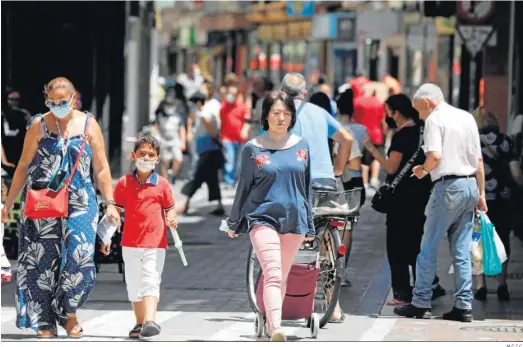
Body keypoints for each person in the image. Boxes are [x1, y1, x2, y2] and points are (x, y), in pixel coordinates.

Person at [1, 77, 120, 337]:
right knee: (40, 262)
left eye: (63, 102)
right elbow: (22, 166)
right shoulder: (38, 125)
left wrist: (110, 203)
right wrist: (9, 204)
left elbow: (101, 168)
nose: (57, 106)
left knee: (80, 257)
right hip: (43, 200)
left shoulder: (89, 124)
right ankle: (43, 320)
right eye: (51, 102)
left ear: (73, 98)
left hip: (81, 200)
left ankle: (69, 312)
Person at [222, 90, 314, 342]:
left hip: (294, 220)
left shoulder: (302, 146)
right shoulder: (252, 148)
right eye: (276, 112)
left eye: (286, 113)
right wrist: (234, 220)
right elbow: (244, 187)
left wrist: (310, 224)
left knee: (280, 275)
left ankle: (266, 316)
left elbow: (306, 186)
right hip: (262, 218)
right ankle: (276, 328)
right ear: (265, 116)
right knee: (273, 273)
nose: (281, 118)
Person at [394, 84, 486, 322]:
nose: (420, 116)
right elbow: (478, 160)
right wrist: (482, 194)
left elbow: (434, 156)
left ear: (427, 103)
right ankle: (464, 306)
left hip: (448, 187)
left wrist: (422, 170)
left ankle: (420, 301)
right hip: (470, 187)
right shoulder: (466, 117)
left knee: (427, 248)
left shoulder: (435, 120)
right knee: (461, 251)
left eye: (419, 111)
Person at [363, 94, 445, 305]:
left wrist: (373, 149)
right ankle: (426, 287)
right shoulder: (423, 131)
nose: (386, 116)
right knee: (417, 243)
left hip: (401, 200)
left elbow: (391, 167)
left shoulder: (401, 136)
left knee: (397, 246)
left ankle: (402, 293)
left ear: (396, 113)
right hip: (422, 195)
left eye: (388, 112)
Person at [106, 136, 177, 339]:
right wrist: (107, 237)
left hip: (155, 244)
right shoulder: (124, 183)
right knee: (134, 284)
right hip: (130, 243)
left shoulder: (162, 184)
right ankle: (139, 323)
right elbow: (115, 212)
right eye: (142, 154)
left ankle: (150, 321)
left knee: (150, 280)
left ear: (157, 159)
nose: (146, 158)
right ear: (133, 155)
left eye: (151, 155)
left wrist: (172, 218)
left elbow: (170, 208)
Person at [471, 107, 520, 301]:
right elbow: (515, 172)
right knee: (502, 240)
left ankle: (481, 285)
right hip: (502, 199)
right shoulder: (505, 141)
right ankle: (502, 284)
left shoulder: (471, 141)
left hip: (478, 199)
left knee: (478, 240)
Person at [280, 73, 353, 189]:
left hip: (293, 183)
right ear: (305, 92)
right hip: (325, 183)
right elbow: (347, 139)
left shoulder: (277, 113)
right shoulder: (320, 112)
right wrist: (337, 171)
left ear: (282, 92)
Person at [179, 91, 225, 216]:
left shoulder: (204, 114)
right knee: (212, 179)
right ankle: (219, 205)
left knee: (197, 177)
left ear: (198, 103)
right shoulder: (210, 112)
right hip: (210, 150)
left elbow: (210, 129)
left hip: (207, 151)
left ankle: (186, 204)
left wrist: (215, 138)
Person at [353, 85, 387, 190]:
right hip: (376, 134)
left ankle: (364, 182)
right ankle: (374, 179)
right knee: (376, 157)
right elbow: (383, 121)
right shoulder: (378, 102)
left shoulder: (356, 101)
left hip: (361, 134)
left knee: (362, 159)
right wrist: (385, 132)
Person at [220, 83, 248, 188]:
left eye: (233, 93)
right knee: (230, 159)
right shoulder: (224, 106)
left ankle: (234, 180)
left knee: (237, 162)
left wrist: (244, 130)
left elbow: (246, 120)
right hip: (227, 138)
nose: (230, 95)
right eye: (229, 93)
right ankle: (228, 180)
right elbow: (220, 119)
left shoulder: (242, 106)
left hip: (239, 139)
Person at [153, 95, 187, 183]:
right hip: (163, 140)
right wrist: (155, 139)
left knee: (178, 158)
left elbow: (182, 129)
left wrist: (183, 142)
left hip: (175, 140)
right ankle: (165, 180)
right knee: (165, 161)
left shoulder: (178, 117)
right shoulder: (160, 116)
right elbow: (155, 128)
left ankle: (173, 174)